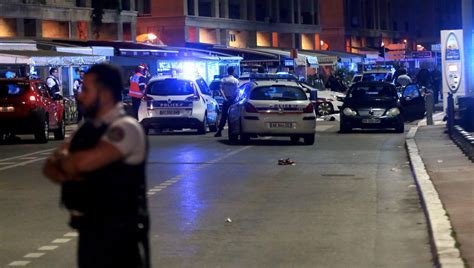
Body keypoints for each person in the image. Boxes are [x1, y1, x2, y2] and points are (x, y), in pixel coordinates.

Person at [43, 64, 150, 268]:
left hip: (118, 237)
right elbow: (49, 168)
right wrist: (71, 165)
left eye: (85, 90)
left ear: (105, 93)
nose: (80, 95)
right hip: (89, 231)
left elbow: (77, 164)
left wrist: (69, 162)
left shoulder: (125, 127)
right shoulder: (87, 129)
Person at [214, 66, 240, 137]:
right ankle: (234, 132)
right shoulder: (236, 81)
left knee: (224, 116)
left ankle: (219, 131)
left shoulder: (224, 80)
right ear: (233, 71)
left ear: (227, 71)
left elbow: (221, 89)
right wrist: (233, 98)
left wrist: (225, 98)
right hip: (233, 100)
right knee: (234, 116)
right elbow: (237, 91)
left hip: (226, 99)